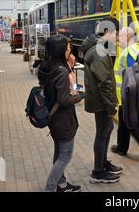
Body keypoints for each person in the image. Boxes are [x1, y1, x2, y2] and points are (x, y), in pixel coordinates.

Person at [38, 35, 84, 192]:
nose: (70, 49)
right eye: (68, 47)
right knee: (65, 156)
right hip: (63, 120)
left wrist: (70, 68)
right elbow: (64, 99)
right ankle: (50, 188)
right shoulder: (61, 71)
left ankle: (62, 184)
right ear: (61, 50)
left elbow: (61, 90)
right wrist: (81, 95)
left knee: (59, 153)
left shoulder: (46, 67)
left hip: (53, 118)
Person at [81, 17, 122, 184]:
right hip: (101, 102)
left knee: (106, 130)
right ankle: (98, 172)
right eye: (116, 34)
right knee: (102, 134)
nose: (117, 38)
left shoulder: (99, 48)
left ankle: (103, 163)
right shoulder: (99, 52)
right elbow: (104, 82)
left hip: (101, 100)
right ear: (106, 32)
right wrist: (110, 105)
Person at [111, 27, 139, 156]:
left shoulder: (129, 52)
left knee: (132, 125)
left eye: (119, 36)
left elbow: (134, 76)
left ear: (127, 37)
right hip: (126, 96)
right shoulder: (135, 49)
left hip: (127, 95)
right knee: (124, 123)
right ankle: (122, 147)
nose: (117, 39)